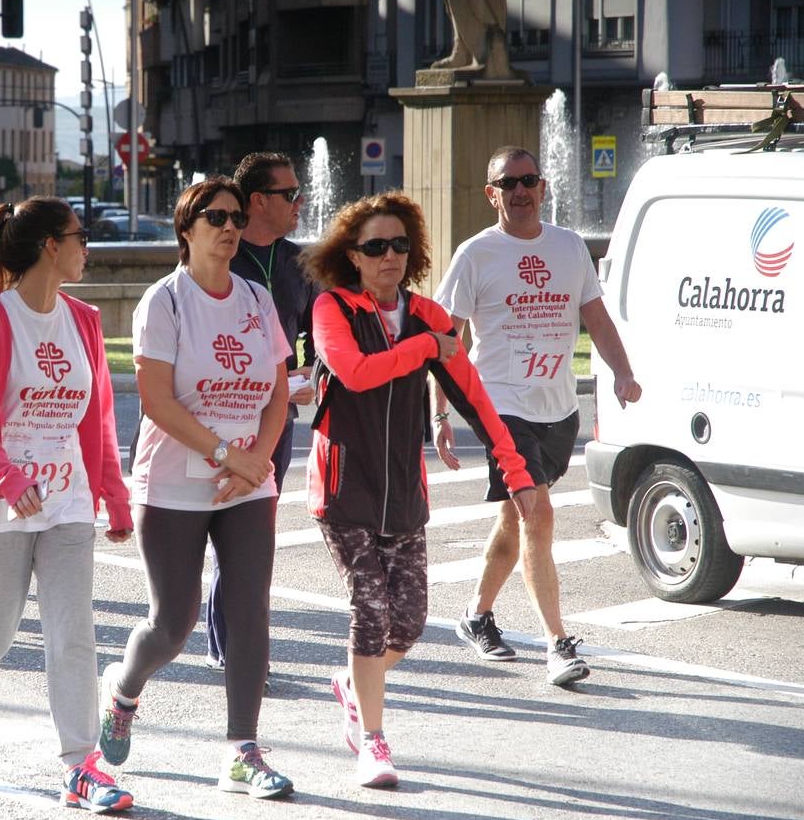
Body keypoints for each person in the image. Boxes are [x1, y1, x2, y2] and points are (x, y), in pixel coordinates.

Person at [304, 191, 537, 787]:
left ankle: (355, 684)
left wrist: (516, 474)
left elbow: (477, 401)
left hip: (404, 493)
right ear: (352, 257)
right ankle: (373, 741)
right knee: (370, 608)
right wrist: (428, 347)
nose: (390, 256)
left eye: (400, 245)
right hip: (344, 488)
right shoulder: (333, 309)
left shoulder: (427, 314)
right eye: (375, 247)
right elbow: (354, 373)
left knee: (408, 623)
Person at [0, 196, 135, 815]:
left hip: (66, 502)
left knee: (73, 636)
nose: (87, 245)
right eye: (79, 235)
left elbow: (98, 420)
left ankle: (80, 767)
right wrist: (8, 480)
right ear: (49, 246)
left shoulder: (84, 320)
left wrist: (112, 494)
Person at [98, 177, 294, 800]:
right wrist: (225, 455)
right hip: (174, 480)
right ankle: (123, 690)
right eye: (215, 216)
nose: (230, 226)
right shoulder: (165, 301)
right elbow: (155, 400)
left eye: (237, 216)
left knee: (249, 611)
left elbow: (278, 393)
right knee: (174, 624)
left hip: (246, 485)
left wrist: (255, 463)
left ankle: (242, 749)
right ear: (187, 228)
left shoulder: (258, 299)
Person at [432, 145, 642, 686]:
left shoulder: (570, 248)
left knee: (515, 517)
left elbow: (595, 316)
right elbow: (444, 342)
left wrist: (621, 372)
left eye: (529, 181)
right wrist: (439, 416)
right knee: (539, 515)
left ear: (543, 187)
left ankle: (476, 615)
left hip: (557, 408)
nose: (520, 191)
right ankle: (558, 643)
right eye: (509, 183)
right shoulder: (475, 254)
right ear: (491, 193)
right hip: (499, 404)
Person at [205, 151, 317, 669]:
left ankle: (235, 648)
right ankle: (233, 647)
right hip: (216, 422)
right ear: (258, 201)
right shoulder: (219, 258)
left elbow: (319, 342)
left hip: (278, 422)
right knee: (231, 537)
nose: (300, 201)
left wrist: (314, 378)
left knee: (254, 536)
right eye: (289, 193)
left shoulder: (301, 263)